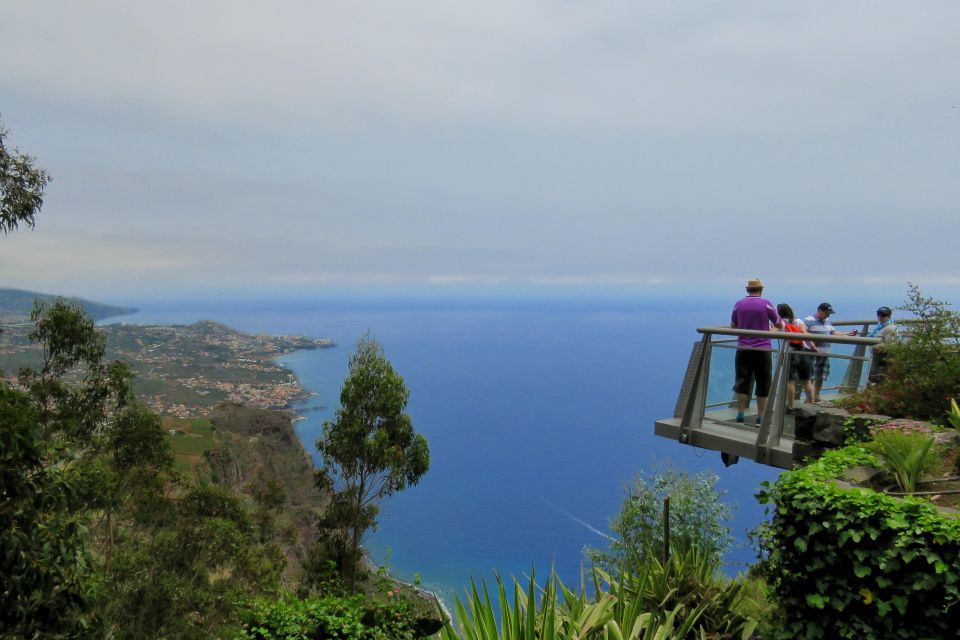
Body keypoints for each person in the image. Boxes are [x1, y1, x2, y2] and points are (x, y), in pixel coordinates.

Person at [730, 278, 782, 424]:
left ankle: (740, 413)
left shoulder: (739, 304)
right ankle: (760, 416)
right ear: (761, 289)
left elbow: (734, 325)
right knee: (763, 381)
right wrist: (772, 329)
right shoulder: (766, 304)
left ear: (747, 290)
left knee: (742, 380)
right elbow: (778, 323)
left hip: (743, 348)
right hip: (763, 348)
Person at [803, 302, 857, 403]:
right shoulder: (809, 320)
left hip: (825, 352)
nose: (828, 315)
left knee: (821, 375)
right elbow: (803, 332)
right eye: (827, 313)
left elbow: (832, 332)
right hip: (812, 352)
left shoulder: (827, 320)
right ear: (820, 311)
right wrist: (811, 343)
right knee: (811, 376)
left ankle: (817, 396)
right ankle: (809, 398)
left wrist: (847, 334)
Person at [777, 303, 817, 408]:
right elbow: (804, 333)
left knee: (790, 381)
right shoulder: (798, 321)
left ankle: (790, 406)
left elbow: (772, 332)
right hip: (803, 351)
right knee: (807, 381)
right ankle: (811, 405)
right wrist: (813, 346)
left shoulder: (780, 323)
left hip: (789, 353)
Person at [867, 306, 899, 384]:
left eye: (883, 315)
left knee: (875, 378)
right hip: (875, 357)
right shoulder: (879, 327)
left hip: (882, 360)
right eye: (878, 314)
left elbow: (891, 346)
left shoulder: (890, 328)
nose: (880, 317)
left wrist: (878, 348)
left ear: (889, 316)